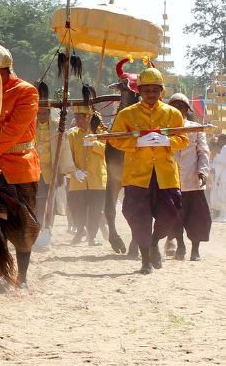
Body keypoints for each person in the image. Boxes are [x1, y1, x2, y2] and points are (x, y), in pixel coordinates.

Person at [108, 67, 188, 275]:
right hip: (137, 175)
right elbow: (115, 139)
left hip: (166, 174)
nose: (151, 94)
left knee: (171, 213)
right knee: (137, 215)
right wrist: (137, 141)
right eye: (146, 90)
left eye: (155, 90)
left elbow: (184, 139)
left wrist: (167, 140)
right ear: (139, 91)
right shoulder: (127, 114)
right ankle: (145, 260)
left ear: (161, 91)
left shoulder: (173, 114)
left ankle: (154, 242)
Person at [0, 36, 40, 291]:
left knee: (24, 227)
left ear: (5, 70)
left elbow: (13, 130)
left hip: (20, 167)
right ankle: (2, 275)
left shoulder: (26, 91)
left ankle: (23, 277)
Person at [164, 93, 211, 260]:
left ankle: (195, 250)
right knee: (174, 217)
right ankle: (180, 245)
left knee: (196, 217)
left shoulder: (196, 128)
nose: (178, 109)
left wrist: (203, 172)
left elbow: (203, 152)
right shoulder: (163, 129)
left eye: (181, 106)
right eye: (174, 106)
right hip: (171, 181)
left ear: (186, 109)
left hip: (193, 181)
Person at [66, 107, 108, 246]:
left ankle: (92, 236)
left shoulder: (101, 132)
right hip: (78, 180)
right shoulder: (72, 135)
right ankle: (80, 230)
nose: (76, 120)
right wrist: (74, 172)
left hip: (97, 178)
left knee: (96, 209)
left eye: (79, 117)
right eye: (75, 117)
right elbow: (67, 157)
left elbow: (108, 152)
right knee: (76, 208)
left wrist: (94, 143)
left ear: (88, 117)